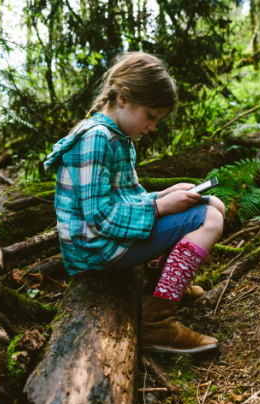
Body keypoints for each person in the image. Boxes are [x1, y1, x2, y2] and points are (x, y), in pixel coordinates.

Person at [44, 52, 226, 354]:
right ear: (124, 98)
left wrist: (162, 196)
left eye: (158, 119)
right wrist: (159, 208)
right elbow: (101, 217)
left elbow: (126, 197)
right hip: (95, 249)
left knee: (214, 204)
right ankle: (157, 320)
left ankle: (164, 287)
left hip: (106, 240)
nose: (153, 126)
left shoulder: (117, 136)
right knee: (210, 219)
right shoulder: (96, 138)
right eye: (151, 116)